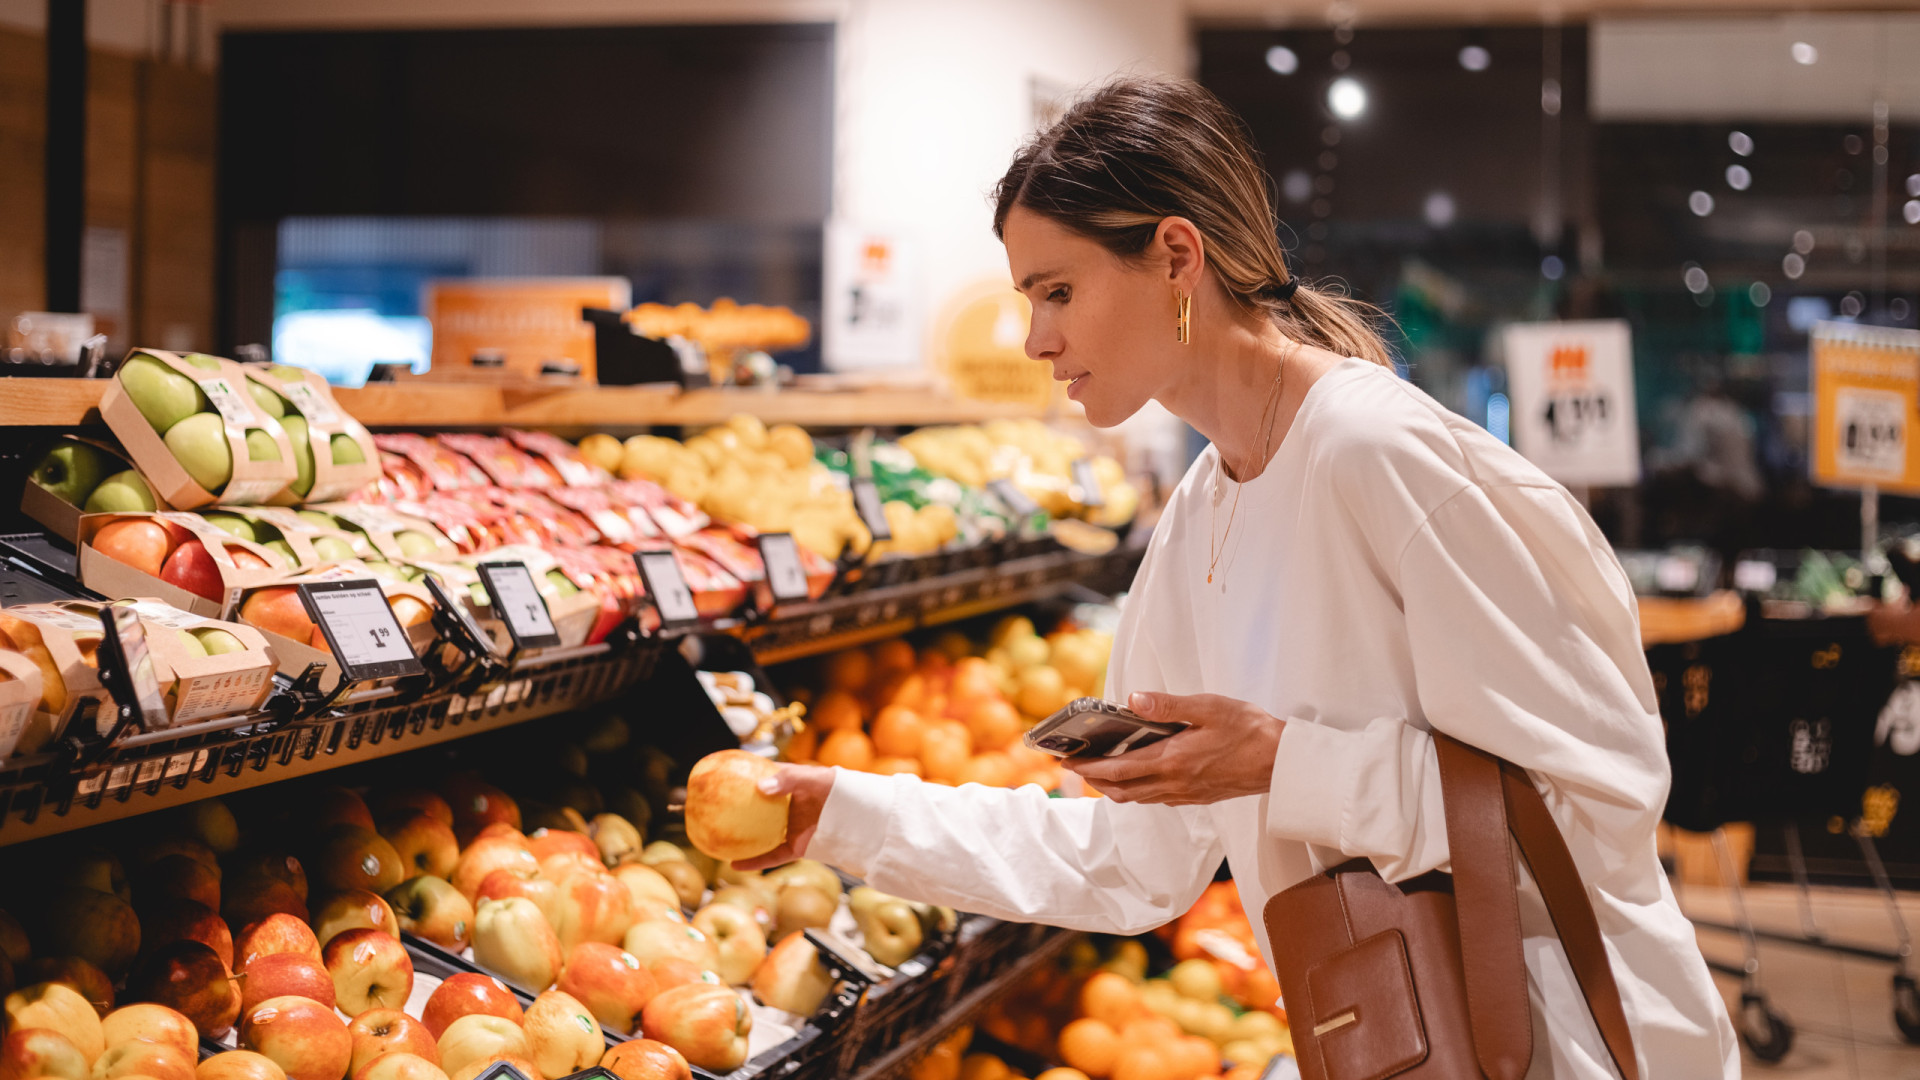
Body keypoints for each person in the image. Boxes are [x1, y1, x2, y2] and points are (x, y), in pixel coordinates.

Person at [743, 76, 1738, 1078]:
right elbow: (1135, 866)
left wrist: (1280, 764)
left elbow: (1598, 804)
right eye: (1028, 300)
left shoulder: (1376, 455)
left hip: (1560, 1044)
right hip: (1402, 1041)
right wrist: (835, 812)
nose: (1037, 340)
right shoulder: (1202, 513)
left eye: (1058, 291)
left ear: (1176, 256)